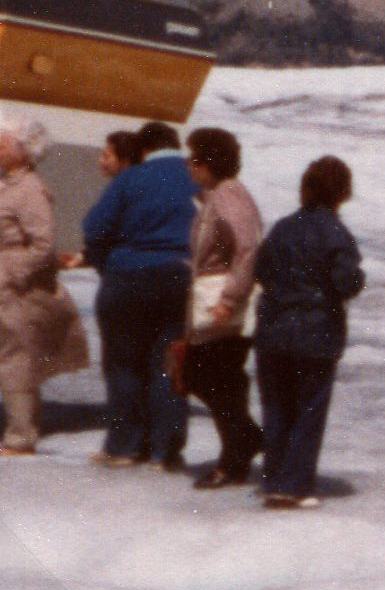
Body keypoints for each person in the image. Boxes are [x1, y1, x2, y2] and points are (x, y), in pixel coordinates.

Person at [80, 120, 196, 472]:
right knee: (170, 363)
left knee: (124, 364)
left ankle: (124, 446)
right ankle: (166, 452)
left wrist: (107, 266)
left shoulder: (130, 179)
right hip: (180, 277)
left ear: (144, 150)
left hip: (127, 278)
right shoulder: (196, 179)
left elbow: (94, 229)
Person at [252, 155, 366, 509]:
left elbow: (261, 270)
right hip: (315, 334)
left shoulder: (282, 227)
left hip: (272, 330)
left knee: (277, 408)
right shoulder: (335, 233)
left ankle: (274, 479)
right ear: (343, 193)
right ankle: (295, 483)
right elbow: (345, 281)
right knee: (308, 409)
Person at [184, 128, 266, 489]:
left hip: (223, 304)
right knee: (217, 378)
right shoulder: (216, 197)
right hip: (214, 301)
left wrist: (229, 299)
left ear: (208, 164)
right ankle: (241, 446)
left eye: (194, 159)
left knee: (212, 376)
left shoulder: (229, 196)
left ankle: (238, 451)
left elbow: (248, 248)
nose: (189, 165)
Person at [0, 119, 87, 455]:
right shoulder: (9, 186)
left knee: (16, 357)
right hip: (9, 279)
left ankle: (21, 436)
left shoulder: (30, 190)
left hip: (15, 287)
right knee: (13, 354)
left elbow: (43, 243)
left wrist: (10, 273)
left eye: (4, 144)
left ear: (24, 152)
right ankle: (22, 427)